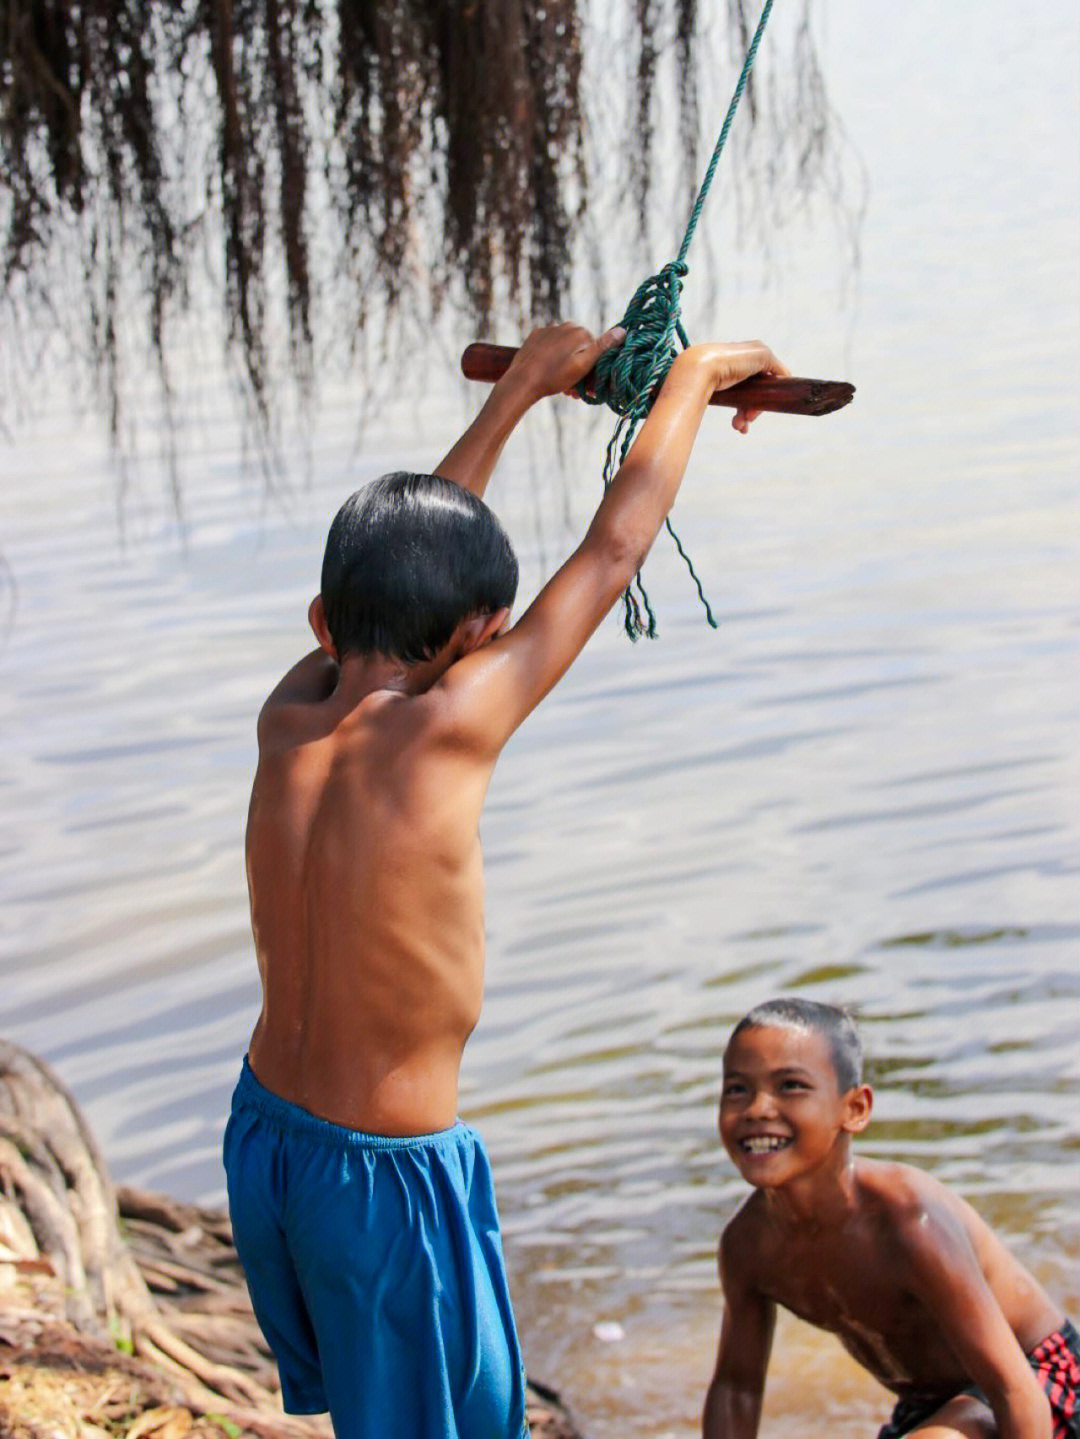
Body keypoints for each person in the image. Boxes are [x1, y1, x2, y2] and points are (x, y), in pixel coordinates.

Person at [222, 321, 788, 1439]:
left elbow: (391, 568)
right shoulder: (445, 732)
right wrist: (697, 377)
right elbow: (614, 550)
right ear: (480, 635)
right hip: (385, 1179)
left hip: (268, 1139)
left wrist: (523, 385)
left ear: (324, 622)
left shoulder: (289, 709)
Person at [703, 997, 1079, 1439]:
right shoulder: (748, 1248)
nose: (758, 1109)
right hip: (930, 1410)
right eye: (737, 1089)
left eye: (790, 1086)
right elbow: (736, 1389)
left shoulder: (909, 1223)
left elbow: (1016, 1394)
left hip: (1044, 1384)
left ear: (855, 1109)